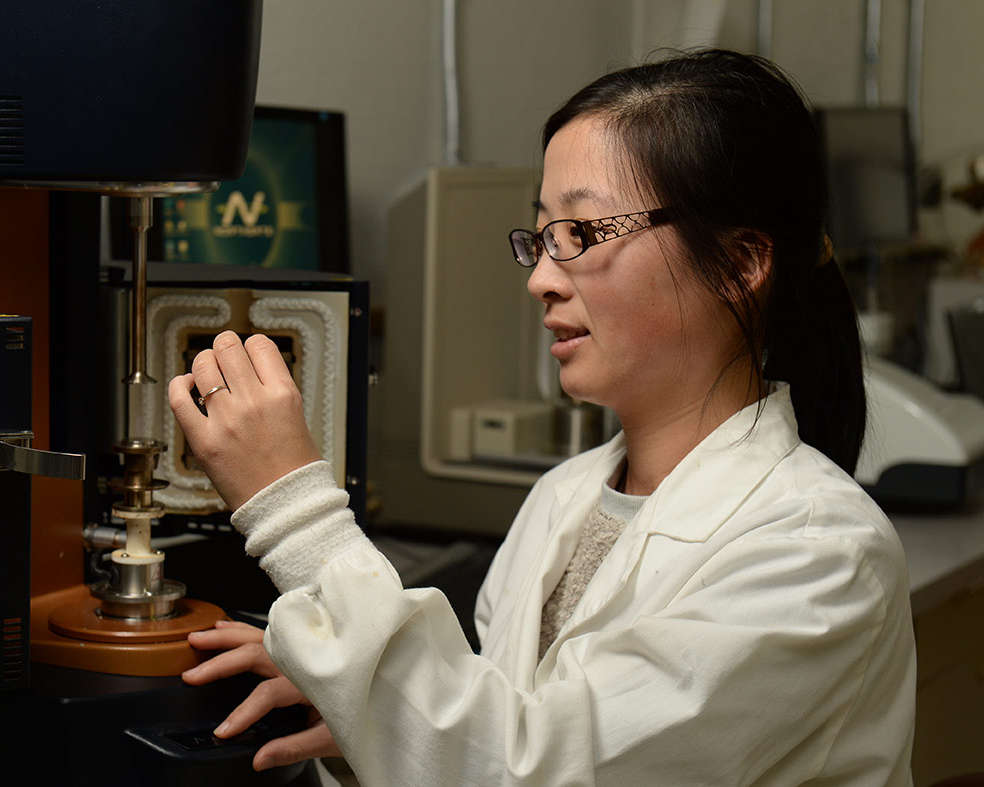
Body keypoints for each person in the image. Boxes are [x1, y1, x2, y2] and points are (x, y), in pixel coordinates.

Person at [169, 49, 916, 786]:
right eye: (542, 237)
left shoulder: (815, 554)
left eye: (580, 235)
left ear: (739, 264)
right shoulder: (564, 496)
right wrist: (365, 710)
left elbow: (529, 772)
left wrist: (293, 511)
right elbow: (493, 730)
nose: (541, 280)